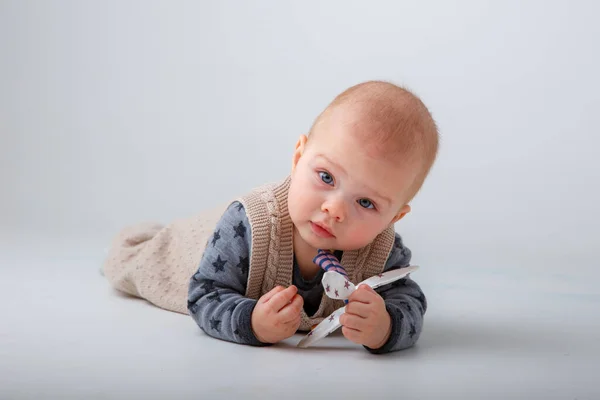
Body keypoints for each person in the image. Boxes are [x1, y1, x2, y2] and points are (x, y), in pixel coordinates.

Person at [103, 80, 439, 354]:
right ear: (298, 158)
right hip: (197, 247)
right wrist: (252, 323)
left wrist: (386, 327)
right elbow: (203, 294)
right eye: (325, 177)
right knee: (147, 258)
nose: (334, 210)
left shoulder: (382, 248)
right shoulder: (248, 223)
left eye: (366, 202)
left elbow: (409, 302)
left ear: (395, 217)